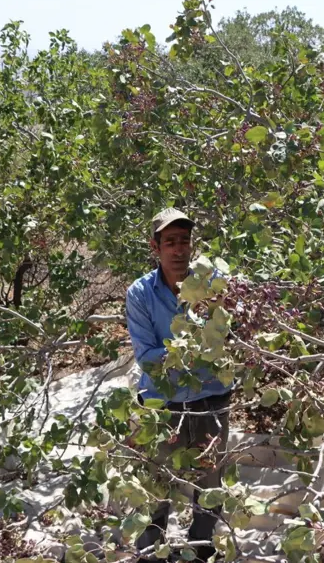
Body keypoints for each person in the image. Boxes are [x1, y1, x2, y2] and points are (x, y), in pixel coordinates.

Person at [125, 207, 232, 562]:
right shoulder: (140, 293)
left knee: (209, 486)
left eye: (184, 241)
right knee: (156, 487)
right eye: (170, 242)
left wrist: (188, 351)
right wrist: (192, 349)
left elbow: (229, 339)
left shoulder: (214, 282)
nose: (179, 249)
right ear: (156, 247)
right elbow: (146, 358)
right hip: (162, 405)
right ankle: (151, 552)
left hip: (210, 400)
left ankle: (201, 551)